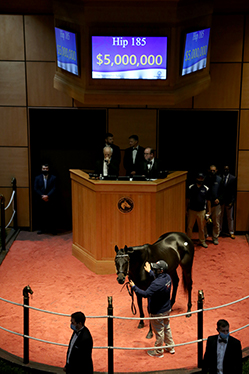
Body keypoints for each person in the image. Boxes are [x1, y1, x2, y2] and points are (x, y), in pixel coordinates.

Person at [130, 260, 175, 358]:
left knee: (159, 331)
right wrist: (150, 272)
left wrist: (134, 287)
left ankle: (159, 352)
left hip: (157, 311)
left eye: (156, 269)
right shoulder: (167, 277)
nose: (154, 270)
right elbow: (158, 280)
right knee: (167, 327)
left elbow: (145, 294)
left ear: (161, 271)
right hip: (167, 309)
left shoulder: (156, 284)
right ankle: (170, 347)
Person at [186, 173, 211, 248]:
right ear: (196, 178)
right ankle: (189, 241)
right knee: (190, 227)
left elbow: (208, 200)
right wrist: (185, 209)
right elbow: (187, 199)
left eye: (202, 178)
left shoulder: (206, 188)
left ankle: (202, 241)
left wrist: (208, 211)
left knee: (201, 227)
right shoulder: (191, 187)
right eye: (199, 178)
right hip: (192, 210)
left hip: (201, 211)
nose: (200, 179)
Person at [34, 163, 56, 234]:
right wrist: (42, 196)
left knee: (51, 215)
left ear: (48, 169)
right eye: (44, 168)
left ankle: (51, 229)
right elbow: (36, 188)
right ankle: (41, 229)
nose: (45, 170)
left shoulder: (53, 178)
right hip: (41, 199)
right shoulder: (37, 178)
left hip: (50, 199)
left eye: (46, 169)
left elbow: (54, 188)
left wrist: (48, 196)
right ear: (41, 169)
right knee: (41, 215)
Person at [204, 165, 223, 245]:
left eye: (214, 170)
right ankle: (204, 236)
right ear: (208, 170)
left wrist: (219, 199)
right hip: (206, 205)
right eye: (211, 170)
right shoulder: (205, 179)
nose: (212, 172)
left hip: (216, 205)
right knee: (204, 222)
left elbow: (223, 192)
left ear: (217, 171)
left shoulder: (220, 180)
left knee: (216, 222)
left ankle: (215, 238)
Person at [220, 165, 237, 239]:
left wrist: (232, 201)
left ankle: (231, 232)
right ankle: (219, 231)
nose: (225, 170)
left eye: (227, 169)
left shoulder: (233, 178)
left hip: (229, 200)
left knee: (230, 217)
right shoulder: (219, 177)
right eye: (224, 169)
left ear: (229, 170)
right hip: (221, 201)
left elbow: (234, 191)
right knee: (220, 217)